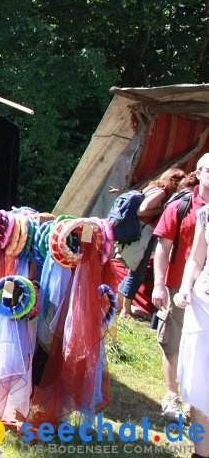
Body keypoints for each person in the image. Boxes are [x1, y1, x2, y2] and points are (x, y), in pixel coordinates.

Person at [152, 154, 209, 423]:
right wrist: (159, 286)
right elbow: (162, 248)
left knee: (201, 348)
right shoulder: (183, 205)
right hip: (179, 286)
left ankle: (197, 400)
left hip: (206, 294)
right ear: (198, 172)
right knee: (173, 342)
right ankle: (172, 395)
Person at [117, 168, 188, 319]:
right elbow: (141, 211)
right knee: (137, 272)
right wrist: (162, 210)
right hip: (144, 234)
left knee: (134, 270)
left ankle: (121, 305)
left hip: (140, 234)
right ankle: (126, 310)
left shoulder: (152, 187)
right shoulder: (160, 193)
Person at [174, 191, 209, 458]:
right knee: (200, 379)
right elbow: (196, 258)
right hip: (203, 303)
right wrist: (185, 287)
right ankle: (201, 452)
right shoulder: (205, 214)